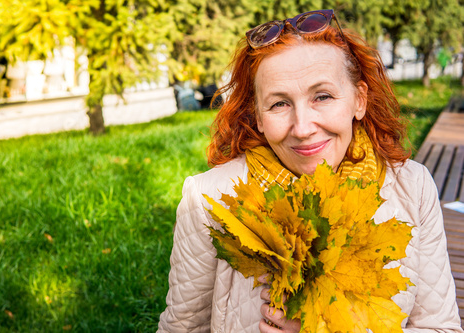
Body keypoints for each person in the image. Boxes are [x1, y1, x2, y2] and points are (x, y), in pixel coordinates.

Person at [157, 9, 463, 333]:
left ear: (359, 100)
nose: (302, 128)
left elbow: (440, 327)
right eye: (279, 104)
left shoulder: (412, 188)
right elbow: (182, 328)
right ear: (258, 117)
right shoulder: (208, 201)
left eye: (323, 96)